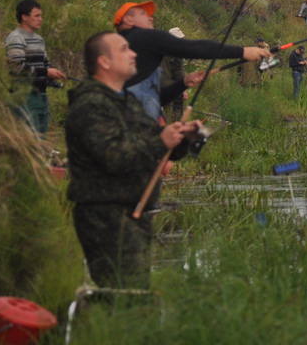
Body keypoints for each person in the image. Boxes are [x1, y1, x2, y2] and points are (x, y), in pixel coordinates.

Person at [65, 31, 203, 289]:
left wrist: (183, 138)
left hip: (133, 210)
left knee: (136, 289)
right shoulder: (90, 104)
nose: (134, 54)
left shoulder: (126, 101)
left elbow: (157, 145)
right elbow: (114, 157)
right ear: (105, 62)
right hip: (104, 213)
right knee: (123, 292)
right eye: (125, 49)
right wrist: (161, 141)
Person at [114, 1, 271, 121]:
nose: (151, 17)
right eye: (143, 14)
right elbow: (195, 48)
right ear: (128, 20)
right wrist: (243, 51)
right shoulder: (142, 36)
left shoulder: (126, 46)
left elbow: (158, 99)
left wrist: (183, 83)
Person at [5, 0, 67, 136]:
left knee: (41, 139)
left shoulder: (39, 39)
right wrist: (46, 72)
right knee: (30, 139)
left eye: (41, 15)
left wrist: (53, 76)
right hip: (24, 97)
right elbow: (17, 67)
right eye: (37, 16)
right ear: (24, 17)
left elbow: (45, 63)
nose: (41, 19)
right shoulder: (15, 38)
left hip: (41, 96)